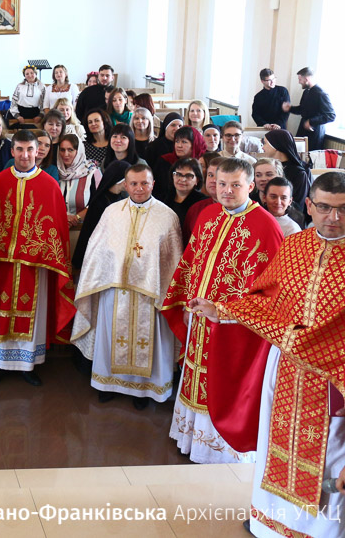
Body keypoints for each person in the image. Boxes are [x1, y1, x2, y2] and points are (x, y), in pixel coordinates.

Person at [189, 171, 345, 538]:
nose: (333, 217)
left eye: (343, 209)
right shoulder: (295, 245)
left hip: (333, 378)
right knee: (275, 442)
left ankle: (320, 531)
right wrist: (222, 309)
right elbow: (266, 298)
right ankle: (270, 523)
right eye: (324, 207)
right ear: (309, 206)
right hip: (286, 368)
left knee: (330, 454)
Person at [161, 158, 284, 464]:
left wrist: (223, 310)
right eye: (221, 184)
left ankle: (220, 450)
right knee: (195, 372)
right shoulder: (208, 214)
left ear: (251, 186)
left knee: (225, 381)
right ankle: (192, 440)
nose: (227, 191)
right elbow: (192, 260)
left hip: (235, 328)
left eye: (235, 185)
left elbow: (272, 290)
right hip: (199, 318)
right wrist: (187, 300)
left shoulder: (265, 226)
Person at [72, 165, 183, 409]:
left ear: (153, 184)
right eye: (133, 183)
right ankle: (108, 385)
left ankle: (143, 390)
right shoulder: (112, 213)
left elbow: (173, 261)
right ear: (126, 185)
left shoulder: (167, 216)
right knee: (111, 336)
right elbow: (96, 251)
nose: (139, 188)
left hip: (151, 294)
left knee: (148, 341)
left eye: (144, 183)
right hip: (114, 290)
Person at [0, 130, 76, 386]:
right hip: (1, 264)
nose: (25, 155)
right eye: (19, 149)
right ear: (12, 151)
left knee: (33, 311)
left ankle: (27, 364)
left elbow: (57, 229)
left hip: (36, 266)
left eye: (30, 149)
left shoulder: (50, 185)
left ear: (38, 152)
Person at [71, 161, 130, 271]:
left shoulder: (122, 199)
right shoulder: (99, 203)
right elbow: (92, 235)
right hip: (99, 258)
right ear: (121, 180)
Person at [285, 67, 336, 150]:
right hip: (303, 130)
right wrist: (290, 108)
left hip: (315, 132)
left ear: (306, 79)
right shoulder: (306, 92)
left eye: (300, 79)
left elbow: (331, 115)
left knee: (310, 156)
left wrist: (311, 121)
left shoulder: (321, 93)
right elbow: (302, 109)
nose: (299, 82)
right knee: (297, 153)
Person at [263, 129, 311, 211]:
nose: (263, 147)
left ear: (275, 145)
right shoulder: (267, 166)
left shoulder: (299, 173)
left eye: (265, 143)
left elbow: (298, 205)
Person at [164, 157, 208, 229]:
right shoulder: (164, 197)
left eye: (188, 176)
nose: (182, 179)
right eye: (178, 174)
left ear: (197, 180)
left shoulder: (202, 203)